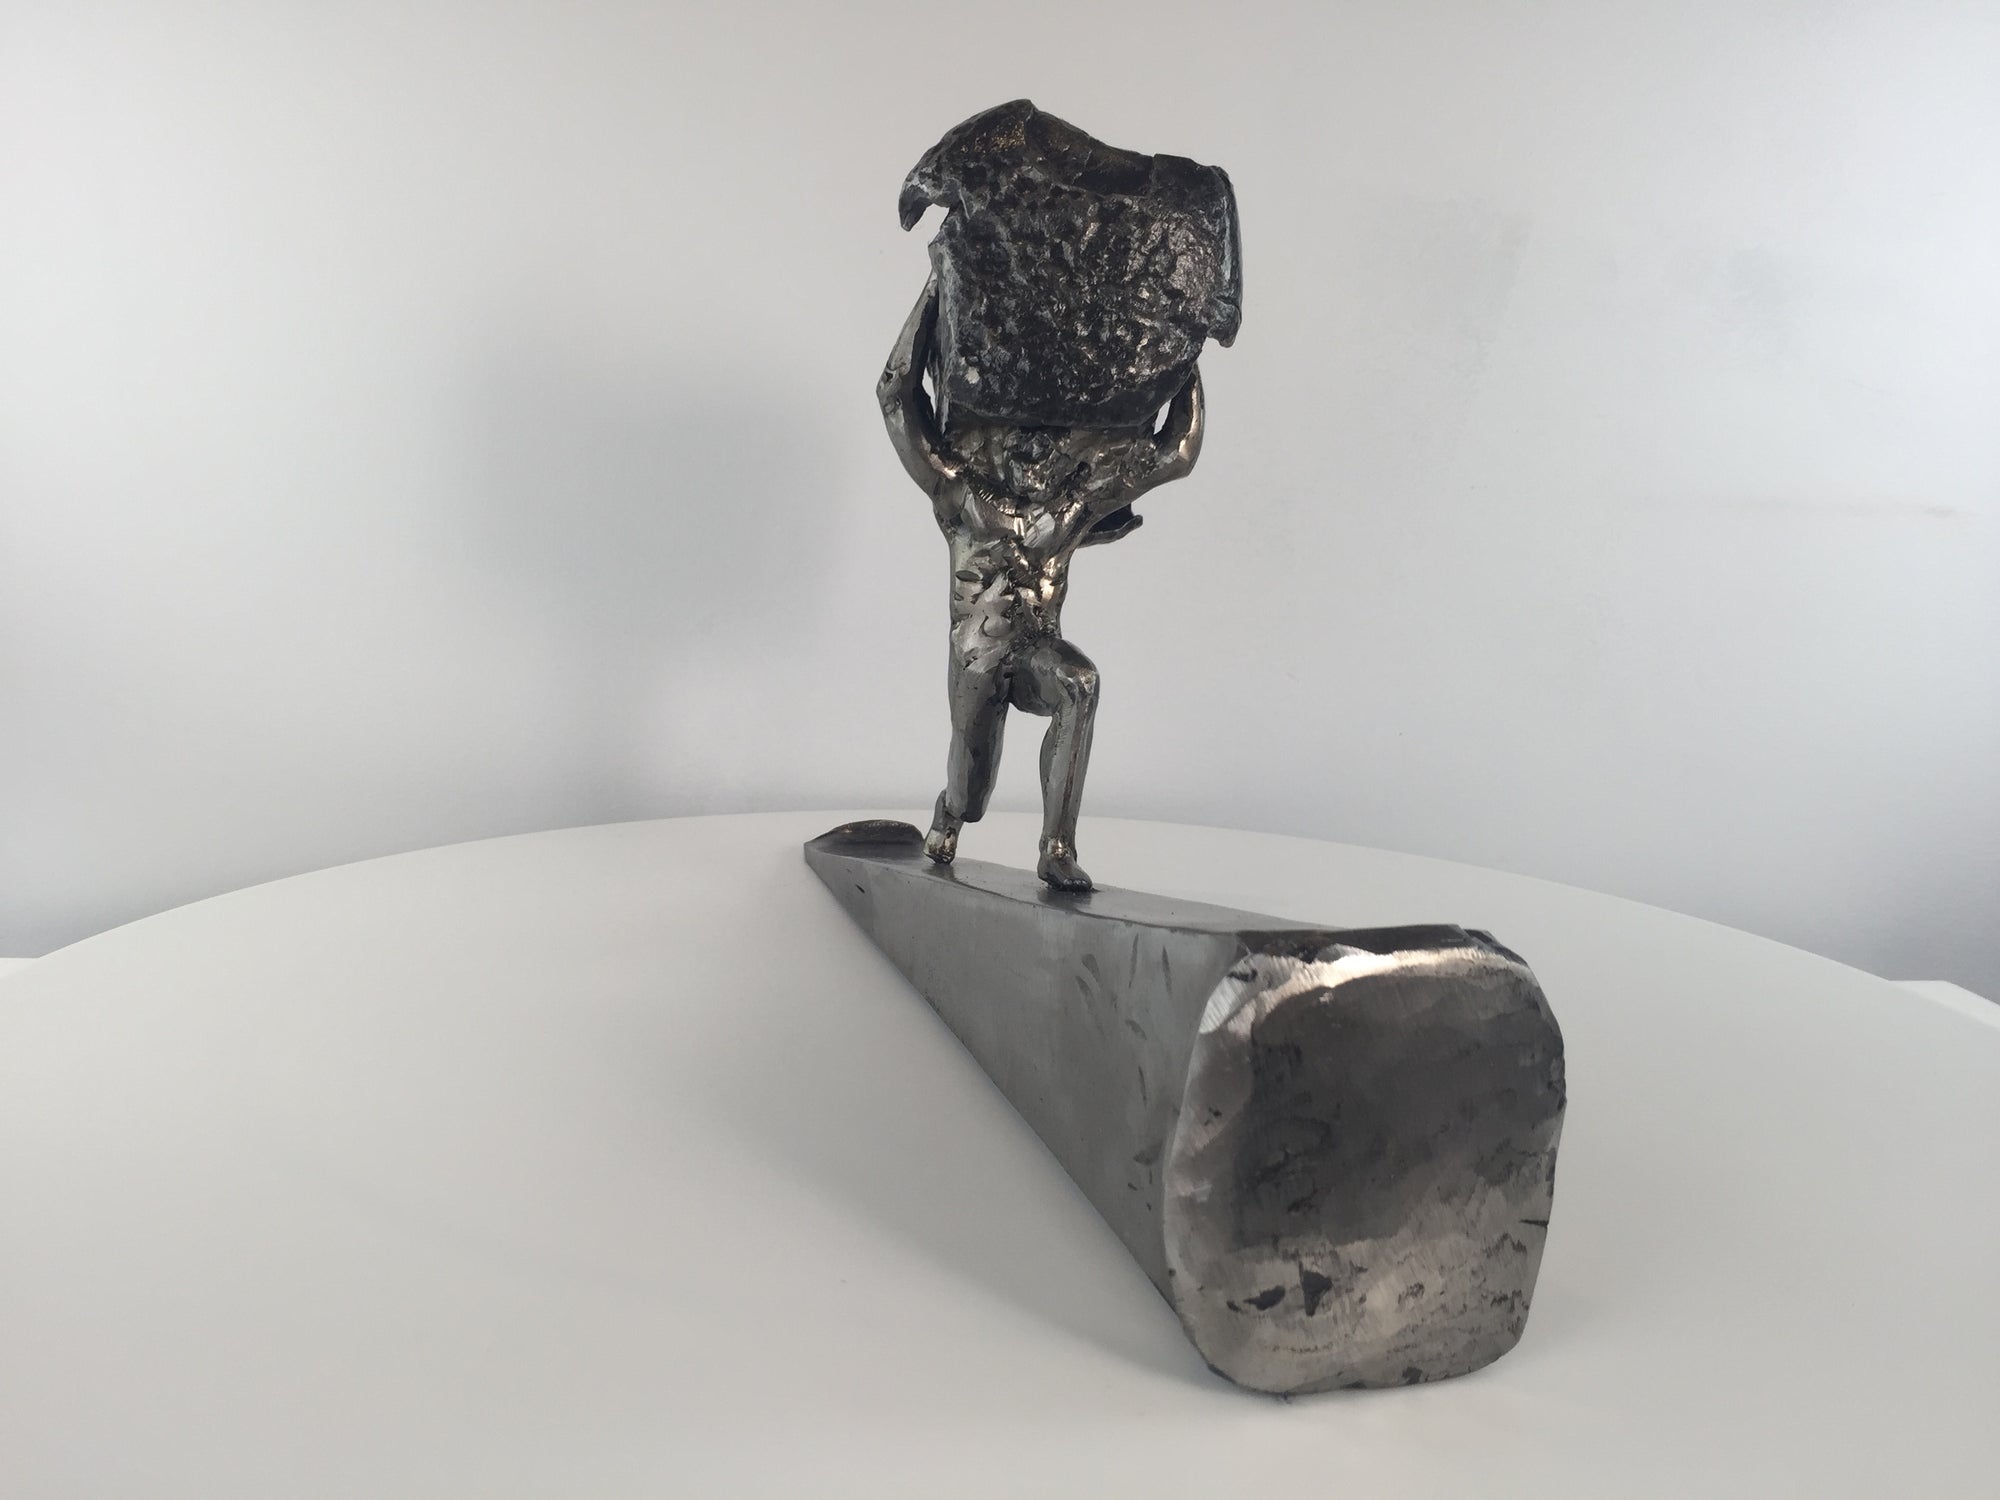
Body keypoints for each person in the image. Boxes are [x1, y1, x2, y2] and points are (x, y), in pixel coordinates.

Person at [877, 271, 1204, 891]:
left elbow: (1177, 452)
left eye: (1047, 445)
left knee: (1081, 684)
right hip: (976, 659)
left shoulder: (1070, 510)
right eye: (1020, 442)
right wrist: (939, 288)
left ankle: (1056, 847)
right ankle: (949, 813)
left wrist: (1182, 344)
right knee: (971, 790)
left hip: (1035, 652)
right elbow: (895, 393)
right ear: (997, 447)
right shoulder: (960, 498)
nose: (1034, 453)